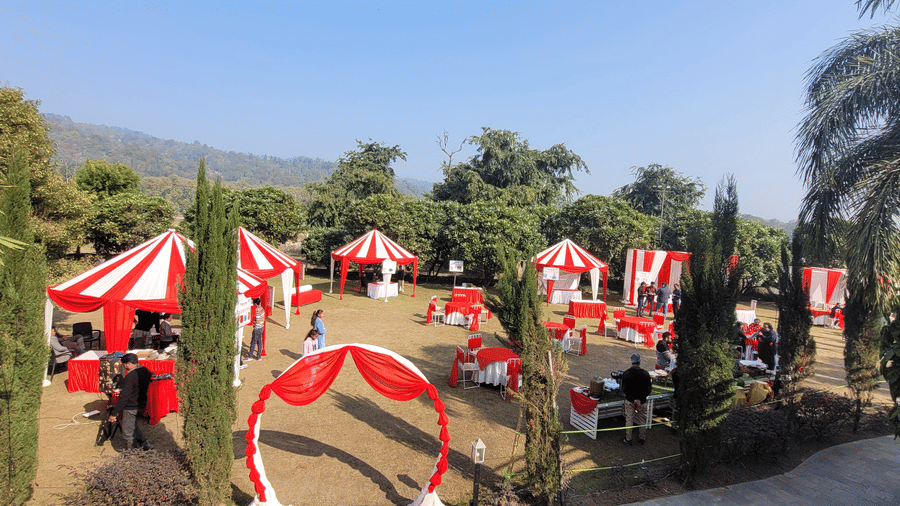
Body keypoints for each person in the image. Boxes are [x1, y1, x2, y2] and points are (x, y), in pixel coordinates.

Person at [108, 353, 153, 451]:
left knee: (128, 432)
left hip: (132, 407)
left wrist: (114, 413)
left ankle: (132, 454)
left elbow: (124, 398)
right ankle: (145, 445)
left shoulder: (130, 377)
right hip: (142, 404)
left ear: (128, 364)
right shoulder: (145, 370)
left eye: (124, 365)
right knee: (133, 426)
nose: (124, 367)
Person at [621, 352, 652, 445]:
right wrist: (640, 399)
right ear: (639, 362)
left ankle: (628, 438)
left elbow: (624, 389)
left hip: (630, 400)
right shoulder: (646, 374)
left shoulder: (626, 374)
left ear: (631, 362)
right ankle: (641, 437)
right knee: (642, 420)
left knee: (629, 419)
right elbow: (648, 389)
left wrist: (634, 399)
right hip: (642, 400)